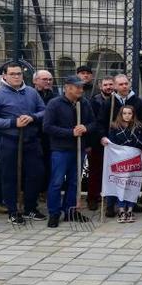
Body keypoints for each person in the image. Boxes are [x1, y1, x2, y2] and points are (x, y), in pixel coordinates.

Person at [0, 61, 46, 225]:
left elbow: (44, 110)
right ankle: (13, 210)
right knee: (9, 176)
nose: (17, 77)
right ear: (4, 76)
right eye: (12, 74)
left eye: (19, 73)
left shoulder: (31, 92)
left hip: (30, 140)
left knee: (36, 173)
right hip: (8, 140)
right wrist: (12, 123)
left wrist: (33, 117)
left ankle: (30, 208)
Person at [43, 76, 96, 227]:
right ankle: (54, 213)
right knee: (57, 182)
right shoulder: (55, 104)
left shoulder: (84, 103)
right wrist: (70, 133)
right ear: (67, 87)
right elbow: (47, 127)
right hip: (60, 150)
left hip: (79, 149)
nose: (80, 90)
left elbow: (93, 123)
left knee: (74, 182)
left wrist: (85, 128)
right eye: (77, 87)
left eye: (81, 87)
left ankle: (71, 211)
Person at [103, 105, 142, 223]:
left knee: (133, 184)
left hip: (134, 160)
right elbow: (113, 143)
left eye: (129, 113)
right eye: (124, 113)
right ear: (120, 114)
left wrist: (133, 145)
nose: (127, 116)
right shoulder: (114, 127)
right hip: (120, 160)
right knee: (120, 184)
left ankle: (130, 209)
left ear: (133, 115)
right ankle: (121, 209)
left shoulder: (139, 127)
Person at [87, 76, 114, 211]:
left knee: (111, 171)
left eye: (110, 84)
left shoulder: (117, 100)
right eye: (105, 85)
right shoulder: (94, 101)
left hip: (113, 141)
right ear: (100, 86)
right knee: (95, 171)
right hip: (97, 141)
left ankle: (109, 197)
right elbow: (92, 122)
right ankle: (92, 198)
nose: (108, 87)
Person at [32, 69, 55, 205]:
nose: (48, 82)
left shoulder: (54, 96)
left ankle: (45, 191)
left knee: (49, 165)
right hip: (34, 135)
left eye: (50, 79)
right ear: (35, 81)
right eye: (44, 79)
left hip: (50, 137)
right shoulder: (30, 95)